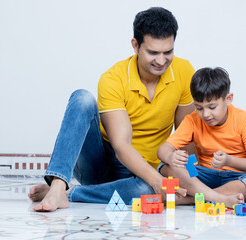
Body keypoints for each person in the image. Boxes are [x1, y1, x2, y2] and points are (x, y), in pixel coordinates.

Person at [28, 7, 196, 212]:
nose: (161, 61)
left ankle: (70, 193)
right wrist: (157, 180)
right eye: (153, 52)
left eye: (167, 52)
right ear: (135, 45)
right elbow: (121, 145)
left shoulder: (184, 72)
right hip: (101, 165)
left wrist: (182, 175)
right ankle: (57, 186)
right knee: (82, 98)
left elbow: (185, 137)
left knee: (147, 189)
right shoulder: (113, 79)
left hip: (141, 175)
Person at [157, 67, 246, 207]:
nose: (206, 114)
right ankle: (217, 198)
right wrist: (170, 157)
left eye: (212, 107)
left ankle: (192, 199)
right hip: (204, 176)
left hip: (236, 177)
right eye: (199, 108)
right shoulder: (193, 120)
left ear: (228, 99)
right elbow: (163, 149)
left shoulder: (243, 119)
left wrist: (228, 160)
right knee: (165, 166)